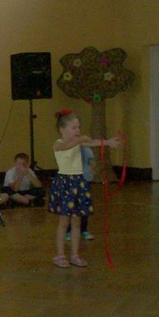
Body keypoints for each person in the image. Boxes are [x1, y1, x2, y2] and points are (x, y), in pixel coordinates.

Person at [50, 110, 120, 269]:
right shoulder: (58, 144)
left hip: (78, 183)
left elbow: (92, 142)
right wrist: (80, 139)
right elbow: (67, 146)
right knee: (63, 222)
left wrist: (108, 142)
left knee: (77, 221)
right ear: (62, 130)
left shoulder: (78, 142)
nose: (78, 130)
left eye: (79, 127)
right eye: (74, 128)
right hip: (65, 184)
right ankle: (60, 255)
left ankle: (75, 255)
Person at [66, 147, 95, 241]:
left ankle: (83, 230)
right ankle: (68, 230)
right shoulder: (70, 149)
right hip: (73, 181)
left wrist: (91, 172)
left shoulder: (87, 150)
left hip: (85, 181)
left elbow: (91, 163)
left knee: (85, 206)